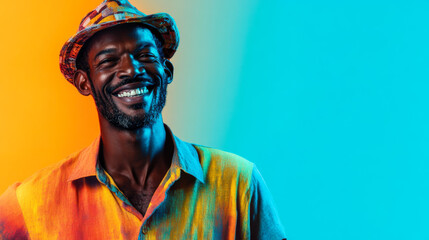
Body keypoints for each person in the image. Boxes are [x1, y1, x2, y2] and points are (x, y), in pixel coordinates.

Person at [0, 0, 286, 239]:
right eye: (108, 61)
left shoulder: (238, 184)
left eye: (144, 55)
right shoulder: (31, 202)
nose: (130, 69)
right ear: (84, 83)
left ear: (167, 71)